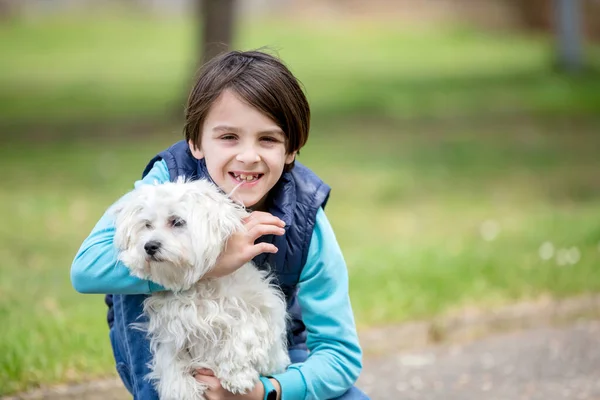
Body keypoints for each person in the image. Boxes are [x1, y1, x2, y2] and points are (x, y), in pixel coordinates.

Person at [71, 50, 369, 400]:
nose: (248, 156)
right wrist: (210, 262)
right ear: (196, 143)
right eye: (229, 137)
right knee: (147, 259)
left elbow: (341, 354)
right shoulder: (165, 183)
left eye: (268, 139)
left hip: (267, 358)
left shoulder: (304, 214)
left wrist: (268, 391)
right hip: (171, 357)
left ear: (291, 149)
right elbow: (85, 270)